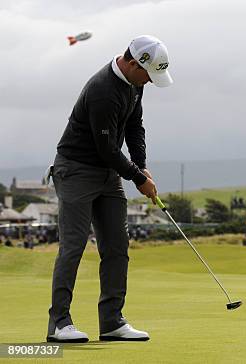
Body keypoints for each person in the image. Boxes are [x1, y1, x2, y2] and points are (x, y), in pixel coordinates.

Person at [46, 35, 172, 343]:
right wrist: (138, 178)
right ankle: (59, 323)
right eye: (148, 75)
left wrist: (141, 166)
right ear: (132, 63)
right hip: (76, 169)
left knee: (117, 245)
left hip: (108, 173)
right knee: (73, 246)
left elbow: (134, 126)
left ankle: (112, 321)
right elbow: (105, 147)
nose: (151, 82)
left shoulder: (135, 83)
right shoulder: (103, 90)